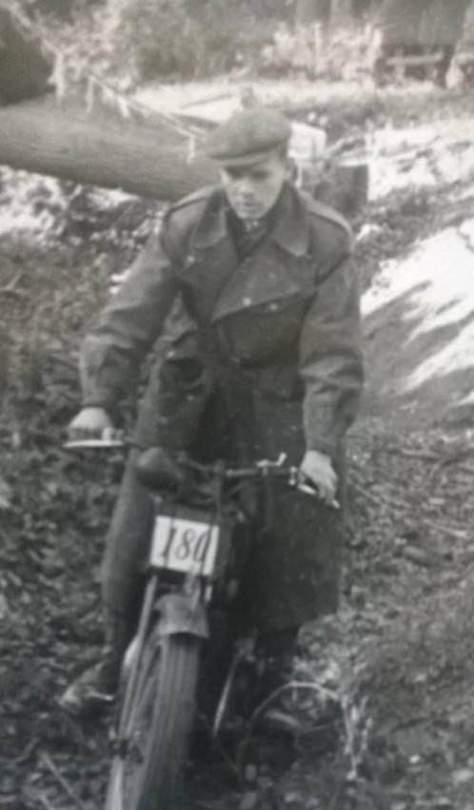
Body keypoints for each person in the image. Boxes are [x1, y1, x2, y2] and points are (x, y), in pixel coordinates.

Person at [62, 107, 364, 715]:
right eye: (233, 176)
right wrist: (98, 400)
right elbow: (131, 316)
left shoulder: (325, 241)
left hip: (278, 399)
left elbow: (332, 353)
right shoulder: (186, 225)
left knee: (297, 518)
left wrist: (320, 446)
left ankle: (277, 670)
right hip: (188, 389)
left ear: (289, 168)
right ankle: (116, 654)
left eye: (258, 175)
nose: (245, 190)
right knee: (139, 515)